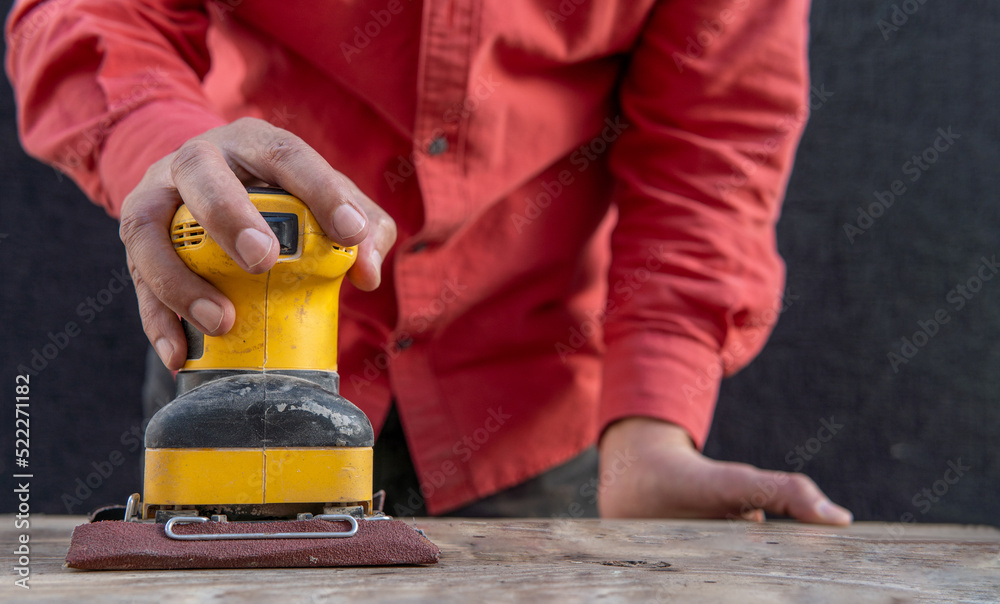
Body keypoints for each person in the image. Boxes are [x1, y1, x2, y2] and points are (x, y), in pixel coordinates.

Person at [6, 0, 852, 523]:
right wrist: (165, 149)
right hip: (237, 338)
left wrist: (653, 430)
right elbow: (93, 13)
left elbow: (711, 143)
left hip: (534, 398)